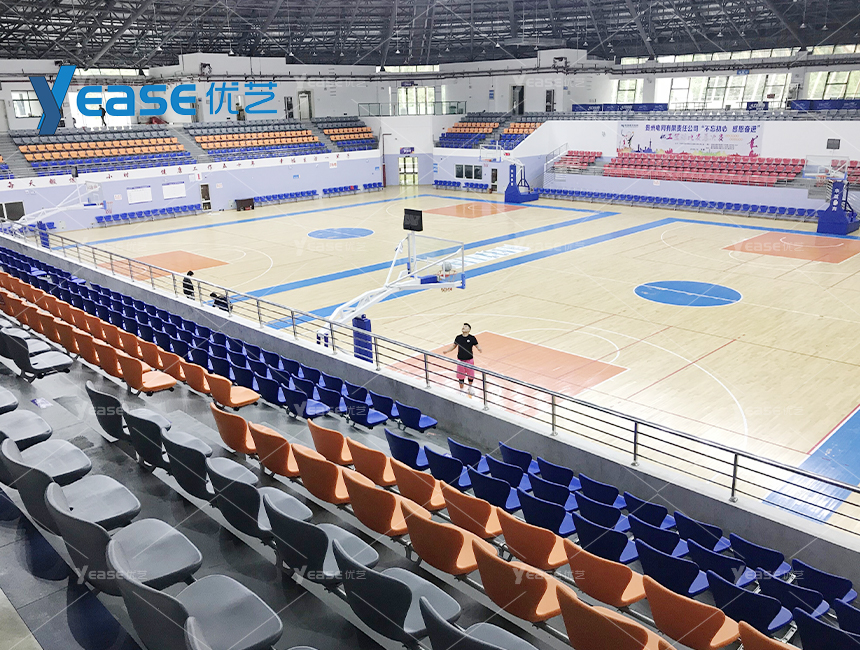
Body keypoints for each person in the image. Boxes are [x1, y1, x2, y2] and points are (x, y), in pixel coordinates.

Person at [443, 323, 482, 395]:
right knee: (461, 376)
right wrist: (447, 351)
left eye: (466, 326)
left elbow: (477, 345)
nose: (464, 327)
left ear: (469, 330)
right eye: (463, 326)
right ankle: (461, 390)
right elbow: (453, 346)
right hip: (460, 360)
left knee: (471, 375)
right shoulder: (458, 337)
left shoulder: (472, 338)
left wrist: (479, 348)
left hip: (469, 360)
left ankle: (470, 388)